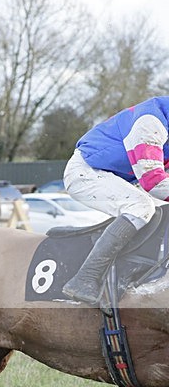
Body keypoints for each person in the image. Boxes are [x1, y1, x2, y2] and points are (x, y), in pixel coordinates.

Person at [62, 96, 169, 305]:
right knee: (140, 206)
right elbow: (153, 181)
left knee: (155, 211)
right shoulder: (149, 122)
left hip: (120, 177)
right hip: (86, 171)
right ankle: (86, 277)